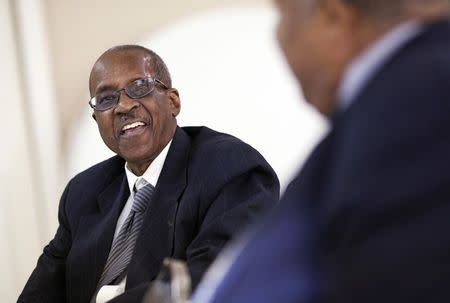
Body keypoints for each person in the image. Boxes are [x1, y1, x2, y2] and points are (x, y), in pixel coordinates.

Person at [192, 0, 450, 302]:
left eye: (282, 14)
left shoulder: (421, 101)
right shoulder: (382, 110)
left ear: (333, 18)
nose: (278, 36)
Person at [17, 45, 280, 303]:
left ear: (173, 101)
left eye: (140, 87)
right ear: (97, 120)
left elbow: (212, 281)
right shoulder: (83, 191)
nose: (123, 106)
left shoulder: (228, 167)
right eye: (106, 99)